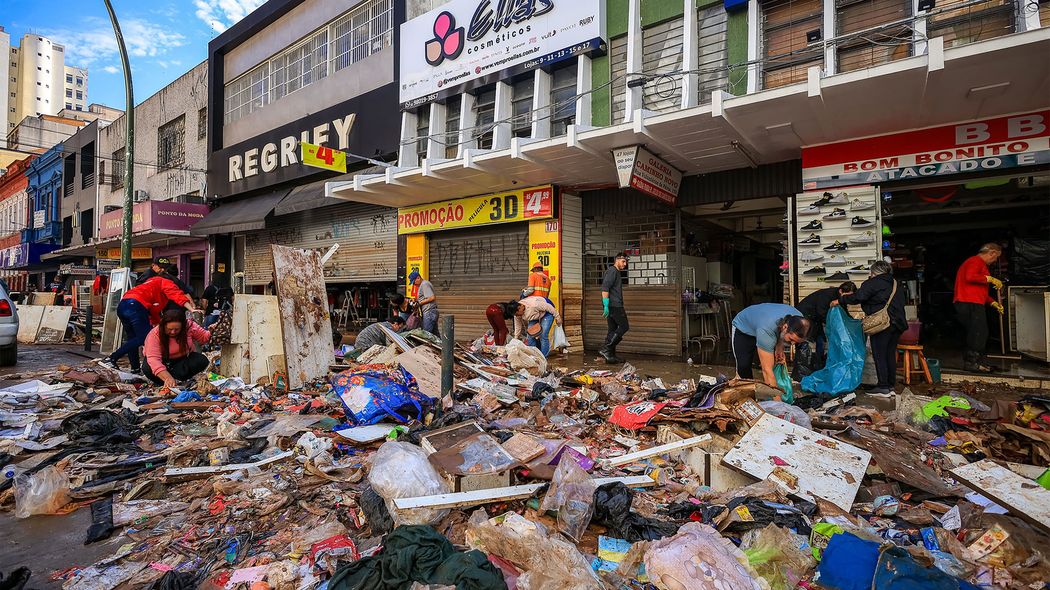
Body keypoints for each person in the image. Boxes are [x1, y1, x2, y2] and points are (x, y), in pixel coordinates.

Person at [99, 272, 197, 373]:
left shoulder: (149, 285)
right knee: (144, 338)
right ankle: (111, 358)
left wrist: (159, 325)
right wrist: (191, 309)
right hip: (136, 306)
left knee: (133, 339)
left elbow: (153, 312)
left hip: (123, 306)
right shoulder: (164, 281)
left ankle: (135, 369)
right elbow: (177, 295)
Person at [836, 261, 907, 396]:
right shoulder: (896, 283)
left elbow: (858, 297)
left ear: (873, 272)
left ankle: (883, 387)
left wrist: (841, 300)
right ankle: (890, 385)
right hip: (897, 324)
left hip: (882, 324)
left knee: (879, 354)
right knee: (889, 354)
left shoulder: (873, 283)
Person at [731, 303, 810, 388]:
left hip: (763, 323)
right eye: (791, 340)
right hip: (744, 327)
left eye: (797, 342)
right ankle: (748, 393)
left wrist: (780, 347)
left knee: (774, 362)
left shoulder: (800, 321)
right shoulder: (767, 330)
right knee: (744, 366)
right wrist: (777, 400)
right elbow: (767, 370)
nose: (793, 344)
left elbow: (782, 333)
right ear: (785, 327)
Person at [953, 243, 1004, 373]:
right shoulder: (975, 261)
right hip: (968, 302)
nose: (995, 261)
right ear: (992, 253)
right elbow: (970, 277)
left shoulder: (978, 264)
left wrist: (993, 303)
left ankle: (977, 362)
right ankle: (971, 363)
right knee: (978, 333)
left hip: (972, 302)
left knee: (978, 332)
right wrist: (990, 279)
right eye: (996, 257)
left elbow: (980, 292)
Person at [142, 308, 211, 388]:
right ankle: (166, 381)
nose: (173, 332)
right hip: (162, 362)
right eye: (170, 329)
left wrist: (213, 330)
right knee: (148, 367)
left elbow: (204, 337)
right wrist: (167, 377)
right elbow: (154, 360)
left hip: (181, 362)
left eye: (177, 329)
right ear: (164, 326)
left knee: (201, 360)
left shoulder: (189, 326)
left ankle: (176, 380)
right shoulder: (155, 334)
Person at [796, 281, 856, 361]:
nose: (848, 299)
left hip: (815, 317)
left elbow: (844, 311)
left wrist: (851, 321)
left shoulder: (841, 297)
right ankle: (808, 361)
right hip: (805, 315)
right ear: (840, 291)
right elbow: (822, 313)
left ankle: (818, 360)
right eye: (847, 296)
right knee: (813, 338)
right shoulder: (827, 295)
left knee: (820, 339)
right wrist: (834, 325)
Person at [600, 253, 630, 364]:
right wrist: (606, 305)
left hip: (612, 305)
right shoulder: (612, 271)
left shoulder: (615, 272)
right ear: (617, 260)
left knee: (612, 329)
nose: (625, 264)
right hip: (614, 305)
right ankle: (606, 349)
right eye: (623, 261)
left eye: (626, 262)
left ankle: (610, 356)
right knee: (624, 326)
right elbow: (605, 288)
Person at [409, 270, 439, 335]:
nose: (414, 284)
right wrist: (415, 300)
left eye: (414, 282)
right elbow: (424, 297)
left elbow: (432, 297)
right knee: (435, 334)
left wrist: (419, 303)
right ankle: (442, 345)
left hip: (429, 312)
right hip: (429, 312)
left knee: (426, 334)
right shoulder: (422, 285)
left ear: (418, 278)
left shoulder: (425, 284)